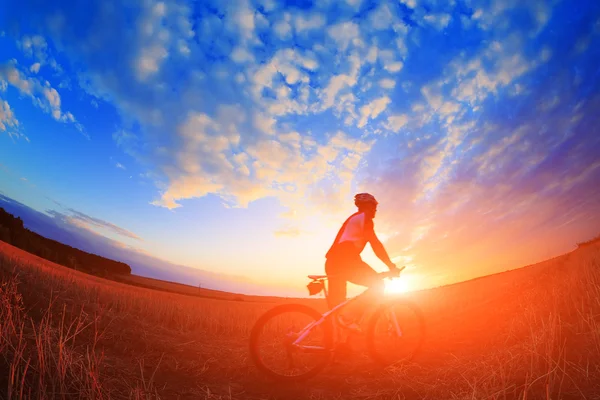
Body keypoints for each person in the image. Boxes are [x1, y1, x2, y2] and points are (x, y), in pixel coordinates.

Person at [325, 192, 400, 331]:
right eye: (374, 206)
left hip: (332, 262)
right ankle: (349, 318)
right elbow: (375, 244)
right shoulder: (364, 218)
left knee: (338, 309)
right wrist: (391, 265)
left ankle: (337, 347)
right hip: (346, 261)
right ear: (368, 206)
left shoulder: (353, 219)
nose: (375, 210)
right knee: (378, 284)